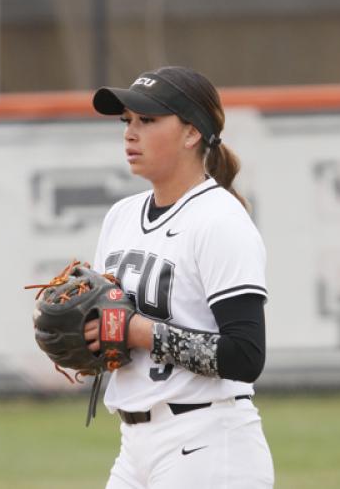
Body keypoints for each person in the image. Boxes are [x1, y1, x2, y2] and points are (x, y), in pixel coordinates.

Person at [85, 66, 274, 489]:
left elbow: (245, 355)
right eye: (127, 121)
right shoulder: (121, 217)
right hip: (133, 446)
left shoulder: (220, 220)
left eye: (147, 120)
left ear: (191, 133)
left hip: (209, 443)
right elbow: (111, 330)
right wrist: (87, 340)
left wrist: (136, 332)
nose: (130, 133)